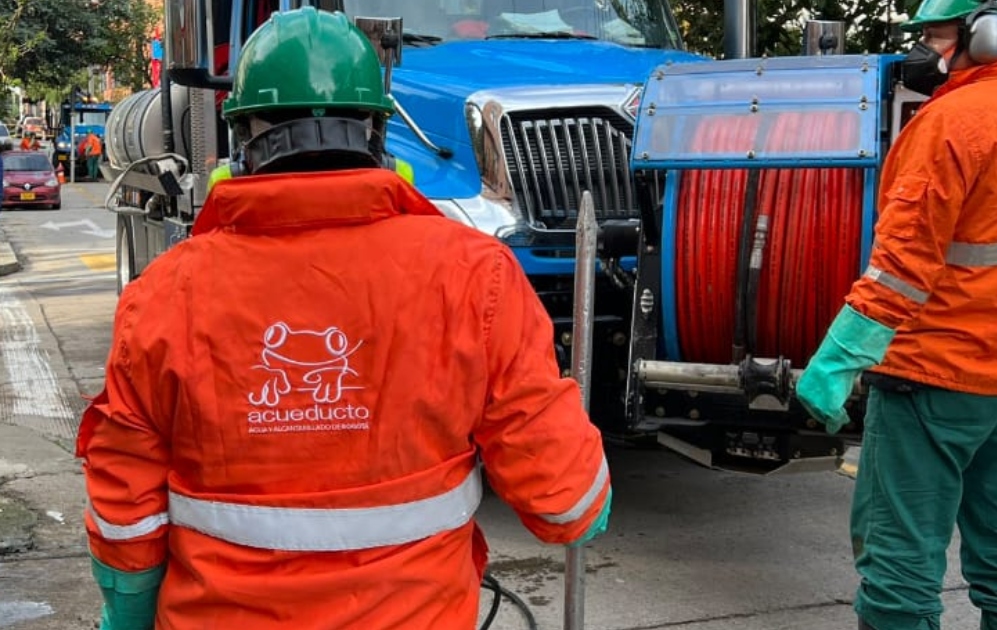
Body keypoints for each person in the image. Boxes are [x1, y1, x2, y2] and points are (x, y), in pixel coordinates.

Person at [76, 7, 611, 629]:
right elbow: (567, 504)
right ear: (377, 137)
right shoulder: (475, 276)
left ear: (242, 142)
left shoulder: (165, 294)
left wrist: (130, 615)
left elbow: (125, 513)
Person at [793, 1, 997, 629]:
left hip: (936, 378)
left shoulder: (952, 121)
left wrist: (841, 355)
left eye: (937, 37)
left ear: (988, 33)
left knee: (899, 564)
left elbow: (903, 259)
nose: (928, 52)